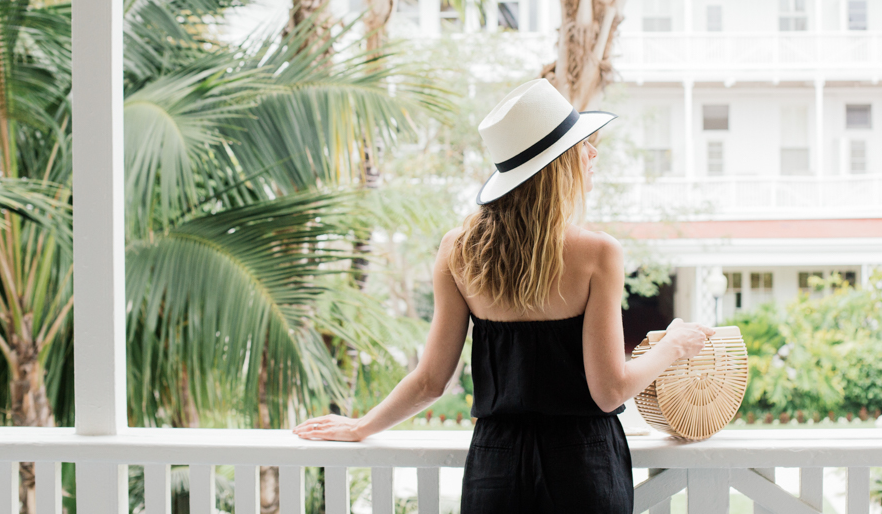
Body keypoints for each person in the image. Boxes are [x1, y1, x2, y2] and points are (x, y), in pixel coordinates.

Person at [293, 78, 714, 513]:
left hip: (496, 466)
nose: (593, 154)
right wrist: (673, 346)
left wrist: (363, 426)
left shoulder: (459, 251)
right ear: (558, 164)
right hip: (583, 465)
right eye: (582, 146)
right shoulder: (598, 253)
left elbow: (430, 381)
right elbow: (609, 390)